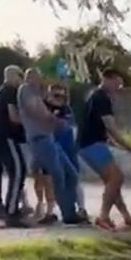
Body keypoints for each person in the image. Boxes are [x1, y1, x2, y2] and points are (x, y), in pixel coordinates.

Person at [17, 68, 83, 225]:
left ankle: (70, 211)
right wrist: (55, 120)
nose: (40, 79)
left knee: (71, 174)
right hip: (40, 139)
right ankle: (68, 214)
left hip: (48, 138)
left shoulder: (37, 94)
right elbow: (37, 112)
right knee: (58, 176)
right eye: (37, 77)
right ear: (29, 78)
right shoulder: (26, 90)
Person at [79, 67, 131, 230]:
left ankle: (126, 216)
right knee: (116, 178)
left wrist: (111, 143)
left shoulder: (95, 95)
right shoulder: (101, 98)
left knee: (112, 181)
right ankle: (103, 216)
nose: (118, 88)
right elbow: (111, 128)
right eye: (117, 83)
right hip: (91, 144)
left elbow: (99, 127)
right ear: (108, 79)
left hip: (90, 143)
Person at [0, 65, 28, 227]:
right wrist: (29, 120)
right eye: (20, 76)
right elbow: (13, 116)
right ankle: (11, 212)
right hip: (6, 137)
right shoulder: (10, 92)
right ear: (13, 76)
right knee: (18, 171)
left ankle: (13, 208)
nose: (21, 80)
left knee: (17, 171)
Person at [47, 82, 87, 219]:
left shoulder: (66, 110)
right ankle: (53, 210)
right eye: (55, 94)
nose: (58, 98)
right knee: (54, 180)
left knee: (73, 178)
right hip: (54, 148)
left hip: (68, 148)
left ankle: (81, 208)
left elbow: (68, 127)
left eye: (61, 95)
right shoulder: (45, 108)